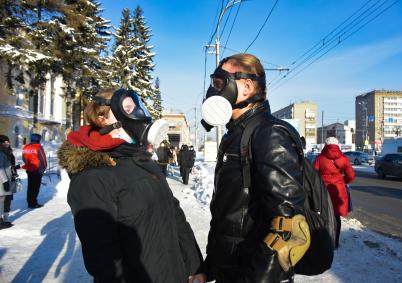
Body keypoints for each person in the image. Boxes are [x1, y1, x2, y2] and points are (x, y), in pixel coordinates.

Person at [58, 88, 202, 282]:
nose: (139, 115)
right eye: (128, 108)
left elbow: (174, 214)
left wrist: (194, 266)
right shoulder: (93, 177)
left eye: (138, 107)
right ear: (103, 119)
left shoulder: (142, 161)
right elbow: (105, 264)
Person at [190, 54, 309, 283]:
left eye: (219, 83)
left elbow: (291, 228)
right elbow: (231, 218)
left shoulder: (268, 134)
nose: (212, 91)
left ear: (245, 87)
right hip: (231, 270)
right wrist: (210, 267)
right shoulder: (236, 135)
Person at [313, 137, 355, 248]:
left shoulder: (319, 158)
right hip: (338, 191)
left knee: (325, 217)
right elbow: (351, 176)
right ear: (337, 146)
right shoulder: (343, 159)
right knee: (336, 218)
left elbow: (313, 175)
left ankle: (325, 241)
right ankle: (335, 242)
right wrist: (342, 181)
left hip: (324, 192)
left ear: (325, 145)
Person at [22, 133, 47, 209]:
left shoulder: (26, 147)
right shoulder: (38, 147)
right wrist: (43, 168)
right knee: (35, 187)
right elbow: (43, 159)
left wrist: (28, 164)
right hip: (37, 170)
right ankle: (33, 203)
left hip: (29, 169)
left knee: (30, 186)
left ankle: (30, 202)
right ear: (38, 139)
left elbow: (23, 158)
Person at [0, 135, 20, 228]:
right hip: (3, 180)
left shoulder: (8, 152)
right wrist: (5, 181)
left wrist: (15, 169)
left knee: (8, 199)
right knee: (2, 200)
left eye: (8, 141)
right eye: (4, 142)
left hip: (9, 178)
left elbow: (8, 165)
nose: (7, 143)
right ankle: (1, 221)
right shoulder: (1, 153)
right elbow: (0, 168)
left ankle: (5, 219)